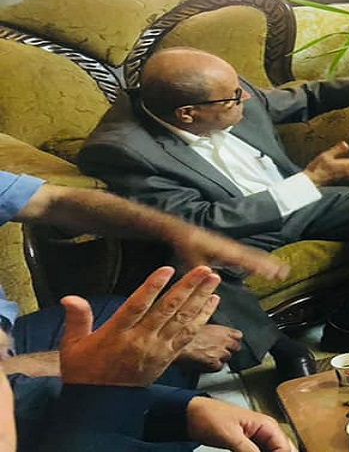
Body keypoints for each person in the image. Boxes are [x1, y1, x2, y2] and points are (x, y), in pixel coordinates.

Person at [77, 48, 349, 379]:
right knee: (196, 271)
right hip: (233, 230)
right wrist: (308, 181)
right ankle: (282, 349)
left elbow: (306, 97)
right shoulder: (123, 150)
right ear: (188, 114)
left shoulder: (223, 90)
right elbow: (200, 222)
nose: (245, 97)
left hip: (300, 202)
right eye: (233, 99)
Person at [0, 171, 294, 451]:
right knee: (143, 370)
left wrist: (180, 231)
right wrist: (117, 366)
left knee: (142, 325)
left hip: (10, 337)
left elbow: (55, 200)